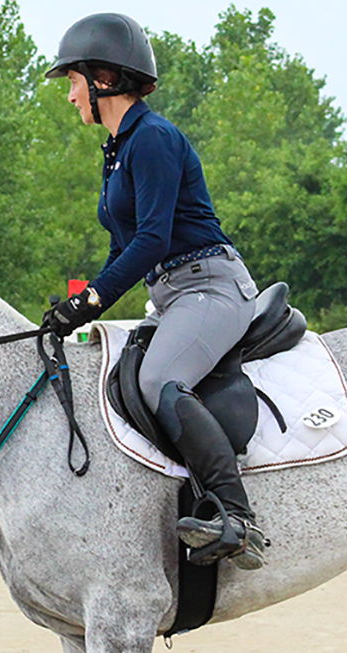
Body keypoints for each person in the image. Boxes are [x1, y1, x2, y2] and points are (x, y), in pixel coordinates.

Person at [42, 12, 265, 570]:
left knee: (161, 379)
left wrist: (92, 298)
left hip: (211, 286)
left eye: (73, 82)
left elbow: (153, 238)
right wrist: (80, 306)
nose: (69, 96)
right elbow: (126, 248)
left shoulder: (155, 140)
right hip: (171, 294)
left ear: (104, 79)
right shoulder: (119, 150)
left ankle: (235, 517)